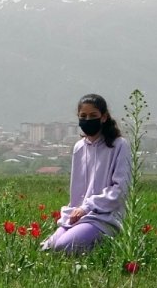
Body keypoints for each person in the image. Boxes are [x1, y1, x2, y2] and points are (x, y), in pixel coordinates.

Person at [41, 94, 130, 254]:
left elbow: (120, 189)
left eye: (93, 116)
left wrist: (87, 207)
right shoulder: (79, 148)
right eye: (83, 116)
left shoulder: (119, 145)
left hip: (104, 217)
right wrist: (76, 211)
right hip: (78, 216)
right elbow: (77, 191)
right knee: (48, 248)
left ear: (104, 117)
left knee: (63, 247)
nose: (88, 120)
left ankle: (108, 247)